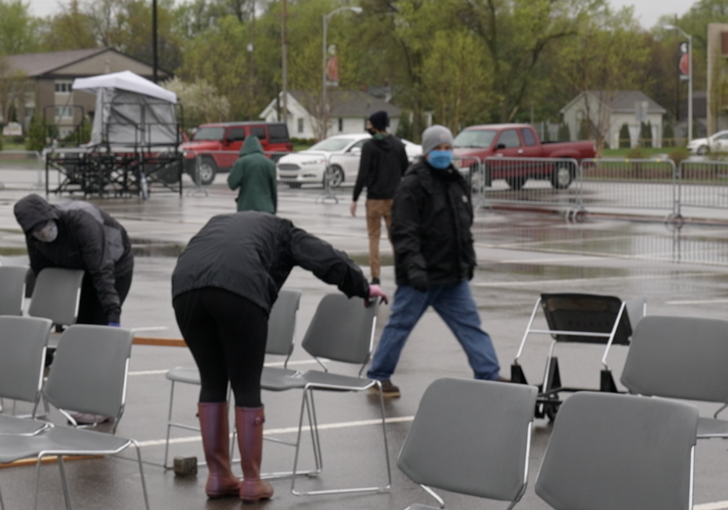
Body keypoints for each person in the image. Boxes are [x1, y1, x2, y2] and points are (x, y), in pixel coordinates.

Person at [171, 211, 387, 503]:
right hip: (240, 289)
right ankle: (251, 482)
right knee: (246, 385)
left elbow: (201, 252)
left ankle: (219, 476)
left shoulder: (219, 221)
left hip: (185, 287)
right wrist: (362, 287)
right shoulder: (285, 231)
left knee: (212, 380)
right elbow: (326, 259)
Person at [366, 125, 504, 398]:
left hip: (453, 276)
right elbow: (404, 231)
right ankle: (379, 376)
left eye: (447, 148)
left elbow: (463, 225)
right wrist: (414, 266)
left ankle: (489, 375)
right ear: (427, 152)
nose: (444, 153)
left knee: (470, 326)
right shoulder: (411, 185)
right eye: (438, 149)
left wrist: (469, 258)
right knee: (399, 325)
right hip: (420, 278)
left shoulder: (456, 181)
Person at [13, 194, 133, 327]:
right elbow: (44, 275)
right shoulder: (34, 240)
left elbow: (101, 270)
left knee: (99, 323)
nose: (44, 234)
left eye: (46, 226)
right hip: (78, 268)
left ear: (52, 217)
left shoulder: (82, 224)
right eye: (38, 231)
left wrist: (113, 313)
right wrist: (53, 318)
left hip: (113, 265)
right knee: (79, 324)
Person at [349, 110, 410, 285]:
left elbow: (363, 173)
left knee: (374, 237)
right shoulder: (398, 145)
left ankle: (375, 276)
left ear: (376, 125)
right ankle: (402, 270)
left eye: (369, 124)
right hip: (394, 199)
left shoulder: (369, 147)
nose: (368, 127)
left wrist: (355, 198)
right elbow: (406, 171)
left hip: (374, 199)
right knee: (395, 237)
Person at [227, 134, 278, 214]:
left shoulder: (241, 162)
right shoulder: (270, 164)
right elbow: (273, 190)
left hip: (246, 208)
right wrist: (273, 209)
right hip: (267, 209)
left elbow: (232, 184)